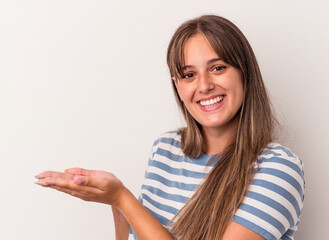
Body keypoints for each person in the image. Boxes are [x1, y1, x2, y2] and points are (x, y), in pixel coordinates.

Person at [35, 15, 305, 240]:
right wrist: (116, 206)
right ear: (177, 85)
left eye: (218, 68)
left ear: (245, 73)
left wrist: (122, 199)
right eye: (189, 75)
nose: (204, 85)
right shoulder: (166, 148)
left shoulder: (278, 169)